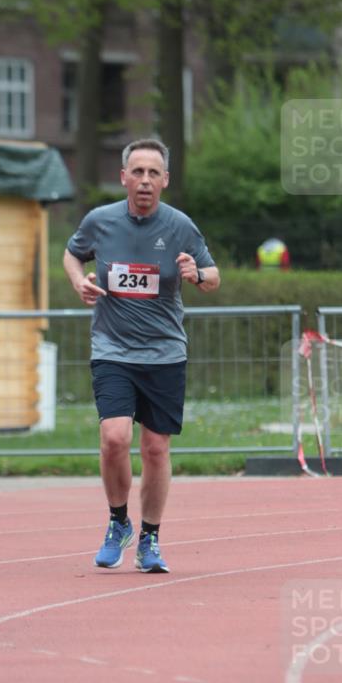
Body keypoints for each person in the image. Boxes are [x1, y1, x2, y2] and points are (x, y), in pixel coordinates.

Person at [63, 138, 220, 573]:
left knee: (155, 448)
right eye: (138, 172)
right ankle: (118, 522)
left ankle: (150, 537)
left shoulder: (180, 226)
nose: (145, 180)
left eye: (154, 173)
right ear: (124, 178)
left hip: (165, 353)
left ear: (165, 180)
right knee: (114, 438)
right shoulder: (100, 221)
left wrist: (198, 273)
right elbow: (72, 254)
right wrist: (79, 282)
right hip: (112, 349)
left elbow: (213, 276)